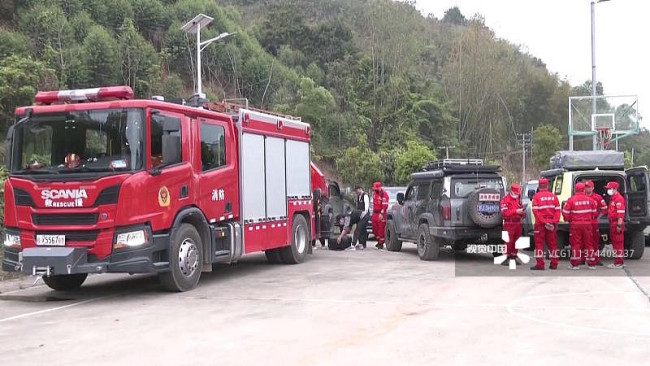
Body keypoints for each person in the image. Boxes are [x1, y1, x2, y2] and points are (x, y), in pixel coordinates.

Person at [562, 183, 597, 270]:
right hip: (587, 224)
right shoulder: (590, 200)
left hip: (576, 225)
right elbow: (594, 213)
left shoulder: (571, 200)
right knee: (589, 243)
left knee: (576, 244)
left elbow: (565, 213)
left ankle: (575, 264)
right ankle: (591, 263)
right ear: (584, 190)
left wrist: (570, 219)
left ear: (575, 190)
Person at [530, 178, 561, 270]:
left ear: (539, 187)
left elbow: (536, 212)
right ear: (548, 186)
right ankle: (554, 264)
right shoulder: (554, 197)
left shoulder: (536, 197)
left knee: (539, 245)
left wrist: (545, 222)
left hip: (540, 225)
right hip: (551, 225)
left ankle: (540, 264)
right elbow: (558, 211)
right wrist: (553, 222)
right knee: (553, 245)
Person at [500, 184, 525, 262]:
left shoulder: (518, 199)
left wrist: (523, 213)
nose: (517, 195)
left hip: (518, 223)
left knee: (516, 241)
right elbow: (505, 212)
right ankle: (505, 257)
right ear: (511, 191)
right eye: (516, 193)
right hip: (509, 223)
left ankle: (513, 257)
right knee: (508, 241)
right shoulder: (505, 200)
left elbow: (521, 208)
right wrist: (516, 211)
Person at [585, 180, 608, 266]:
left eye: (589, 187)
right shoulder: (581, 197)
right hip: (584, 222)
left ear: (593, 188)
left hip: (593, 221)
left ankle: (596, 259)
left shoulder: (597, 197)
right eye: (586, 187)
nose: (587, 188)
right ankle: (583, 258)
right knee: (583, 241)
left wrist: (598, 217)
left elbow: (604, 208)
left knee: (595, 241)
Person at [606, 181, 626, 269]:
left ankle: (618, 263)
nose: (608, 191)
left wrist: (619, 225)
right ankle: (618, 262)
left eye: (609, 189)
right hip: (613, 223)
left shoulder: (619, 199)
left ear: (615, 189)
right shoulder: (613, 198)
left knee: (618, 244)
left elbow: (620, 214)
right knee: (616, 244)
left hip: (616, 223)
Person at [371, 182, 389, 249]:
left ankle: (381, 243)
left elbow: (385, 205)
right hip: (375, 213)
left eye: (376, 188)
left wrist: (382, 213)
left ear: (379, 187)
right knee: (374, 228)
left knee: (381, 229)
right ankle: (378, 241)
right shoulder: (374, 193)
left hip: (381, 213)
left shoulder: (384, 194)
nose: (375, 190)